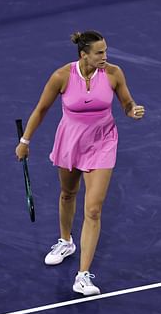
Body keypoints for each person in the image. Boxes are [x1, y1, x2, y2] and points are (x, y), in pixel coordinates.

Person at [15, 30, 145, 296]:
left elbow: (126, 102)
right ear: (83, 54)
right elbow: (41, 110)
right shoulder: (61, 76)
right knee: (68, 194)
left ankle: (83, 276)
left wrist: (133, 111)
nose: (104, 57)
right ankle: (66, 241)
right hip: (71, 142)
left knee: (94, 210)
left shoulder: (113, 73)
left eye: (105, 51)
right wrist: (25, 142)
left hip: (103, 143)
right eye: (99, 53)